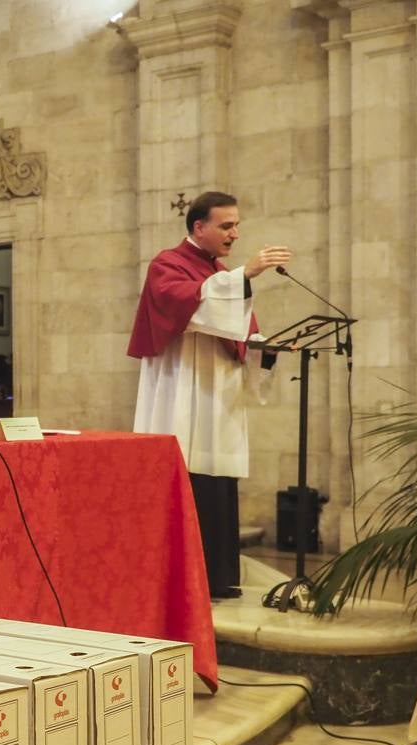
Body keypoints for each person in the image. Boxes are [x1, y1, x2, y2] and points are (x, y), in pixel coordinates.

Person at [126, 191, 291, 599]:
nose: (235, 234)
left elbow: (240, 332)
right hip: (183, 391)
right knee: (190, 476)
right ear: (199, 227)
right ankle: (184, 583)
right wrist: (244, 277)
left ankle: (219, 579)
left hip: (218, 400)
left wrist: (264, 349)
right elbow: (187, 306)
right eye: (226, 225)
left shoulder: (222, 274)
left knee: (217, 486)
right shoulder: (169, 264)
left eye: (237, 225)